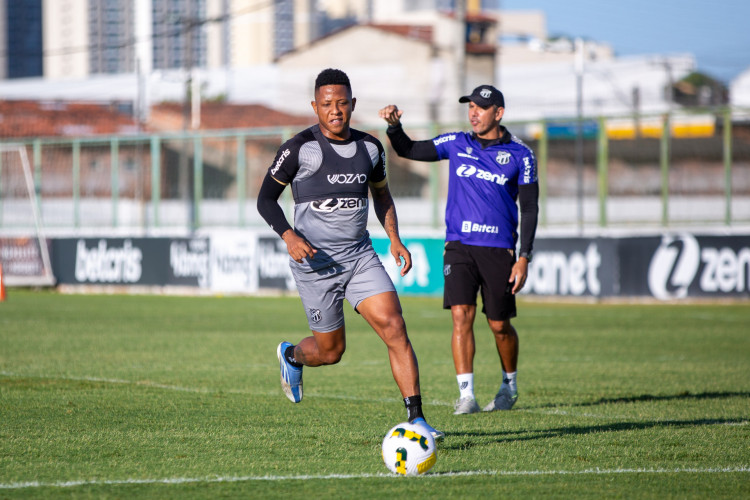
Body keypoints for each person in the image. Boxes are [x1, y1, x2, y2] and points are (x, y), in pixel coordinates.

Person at [257, 68, 443, 440]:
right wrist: (289, 235)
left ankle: (417, 418)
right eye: (327, 104)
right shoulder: (297, 149)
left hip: (359, 257)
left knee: (394, 325)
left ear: (353, 104)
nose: (335, 110)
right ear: (315, 106)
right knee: (330, 352)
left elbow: (382, 195)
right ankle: (292, 356)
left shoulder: (370, 148)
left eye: (342, 103)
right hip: (314, 265)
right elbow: (265, 200)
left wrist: (394, 238)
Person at [379, 84, 538, 415]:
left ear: (499, 113)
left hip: (499, 250)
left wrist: (524, 257)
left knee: (499, 325)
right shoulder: (456, 142)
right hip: (459, 246)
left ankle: (509, 385)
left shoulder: (522, 155)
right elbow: (408, 149)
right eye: (470, 107)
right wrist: (394, 128)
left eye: (481, 107)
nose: (474, 113)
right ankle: (466, 395)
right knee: (460, 316)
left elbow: (531, 209)